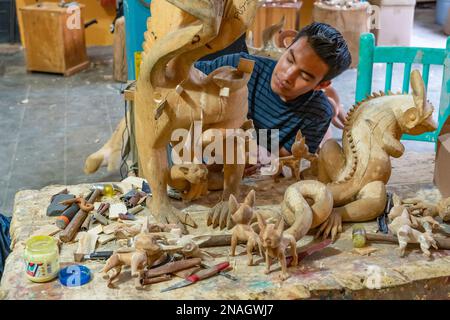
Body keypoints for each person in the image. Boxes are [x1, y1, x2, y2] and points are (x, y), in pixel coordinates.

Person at [194, 22, 352, 176]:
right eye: (289, 59)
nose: (287, 76)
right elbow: (188, 76)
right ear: (286, 48)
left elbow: (290, 159)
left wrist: (261, 156)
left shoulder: (318, 113)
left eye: (304, 75)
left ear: (321, 85)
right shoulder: (240, 67)